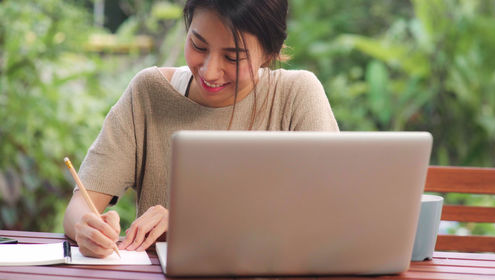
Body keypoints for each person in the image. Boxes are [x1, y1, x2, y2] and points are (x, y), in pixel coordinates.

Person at [63, 0, 339, 258]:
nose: (209, 71)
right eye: (198, 45)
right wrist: (85, 229)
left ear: (269, 53)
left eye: (233, 58)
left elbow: (332, 218)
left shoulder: (296, 96)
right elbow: (80, 207)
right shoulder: (150, 93)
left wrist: (189, 223)